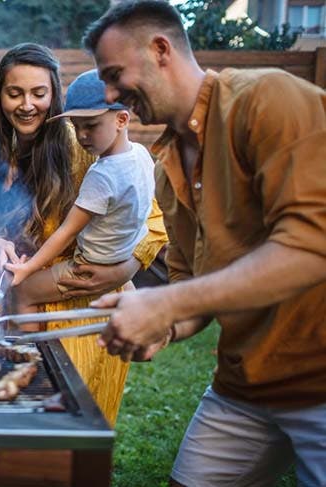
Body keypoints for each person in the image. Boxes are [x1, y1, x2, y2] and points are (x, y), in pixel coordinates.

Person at [82, 1, 326, 485]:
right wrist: (165, 325)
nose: (111, 94)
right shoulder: (165, 169)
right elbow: (193, 283)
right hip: (244, 386)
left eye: (114, 75)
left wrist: (166, 303)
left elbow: (311, 246)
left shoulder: (267, 99)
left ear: (160, 49)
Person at [0, 42, 168, 426]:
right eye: (15, 93)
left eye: (38, 93)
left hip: (82, 307)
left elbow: (152, 220)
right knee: (23, 420)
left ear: (54, 95)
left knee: (75, 427)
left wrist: (124, 268)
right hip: (19, 305)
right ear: (0, 97)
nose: (27, 105)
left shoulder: (81, 139)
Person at [5, 69, 155, 317]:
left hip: (88, 266)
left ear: (122, 119)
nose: (82, 135)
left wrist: (28, 267)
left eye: (91, 125)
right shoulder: (141, 154)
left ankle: (29, 352)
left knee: (21, 293)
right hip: (124, 253)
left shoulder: (102, 175)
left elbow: (67, 231)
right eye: (76, 126)